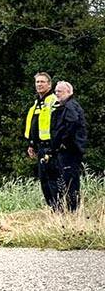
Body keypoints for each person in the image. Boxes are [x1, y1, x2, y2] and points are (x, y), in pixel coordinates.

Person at [49, 81, 88, 212]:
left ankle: (73, 211)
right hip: (67, 150)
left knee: (70, 182)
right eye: (56, 91)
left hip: (70, 151)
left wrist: (63, 143)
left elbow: (73, 124)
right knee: (66, 181)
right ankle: (70, 210)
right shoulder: (63, 107)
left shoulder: (70, 106)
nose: (57, 94)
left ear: (69, 92)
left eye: (60, 91)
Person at [24, 72, 58, 208]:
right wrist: (31, 143)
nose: (39, 84)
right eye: (37, 82)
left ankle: (58, 209)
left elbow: (57, 125)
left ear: (49, 84)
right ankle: (52, 208)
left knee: (52, 179)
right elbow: (35, 125)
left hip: (50, 146)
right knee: (44, 179)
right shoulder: (38, 102)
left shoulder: (52, 101)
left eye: (42, 82)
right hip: (40, 146)